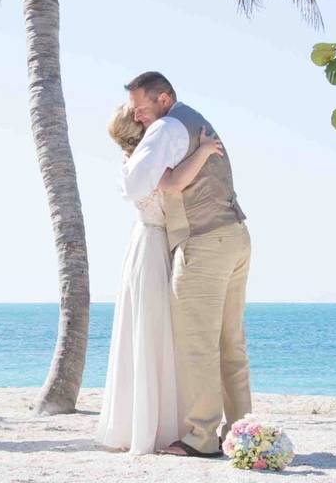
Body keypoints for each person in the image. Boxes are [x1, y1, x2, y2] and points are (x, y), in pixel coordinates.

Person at [121, 71, 252, 458]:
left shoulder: (166, 128)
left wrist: (158, 176)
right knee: (232, 344)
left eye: (141, 109)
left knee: (198, 346)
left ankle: (201, 437)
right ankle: (243, 430)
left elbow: (134, 186)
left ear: (163, 99)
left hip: (203, 243)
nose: (139, 118)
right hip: (236, 236)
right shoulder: (198, 122)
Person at [96, 103, 223, 454]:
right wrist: (203, 151)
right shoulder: (146, 163)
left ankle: (152, 421)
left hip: (150, 243)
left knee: (153, 333)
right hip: (153, 246)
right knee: (157, 330)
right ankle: (163, 425)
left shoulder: (138, 159)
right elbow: (176, 182)